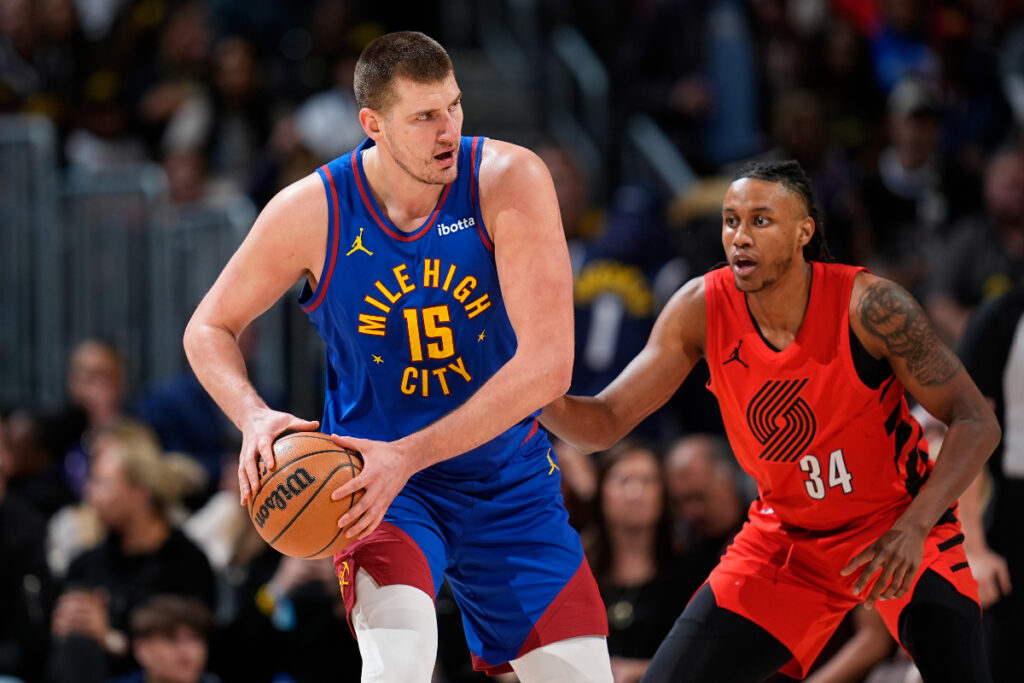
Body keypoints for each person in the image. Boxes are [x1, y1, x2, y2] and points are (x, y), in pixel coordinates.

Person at [183, 31, 611, 683]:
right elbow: (208, 326)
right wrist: (253, 417)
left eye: (455, 106)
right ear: (373, 124)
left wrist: (407, 453)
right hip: (377, 490)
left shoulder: (507, 178)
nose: (449, 129)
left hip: (507, 478)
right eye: (425, 116)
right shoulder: (314, 210)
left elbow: (549, 368)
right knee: (398, 666)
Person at [540, 159, 1000, 682]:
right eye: (731, 220)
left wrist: (917, 524)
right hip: (787, 540)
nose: (740, 236)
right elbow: (604, 424)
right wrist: (530, 392)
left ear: (804, 230)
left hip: (892, 527)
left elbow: (976, 421)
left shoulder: (870, 307)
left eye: (761, 220)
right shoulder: (701, 306)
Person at [586, 439, 688, 683]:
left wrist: (641, 671)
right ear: (601, 491)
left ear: (663, 494)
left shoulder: (690, 569)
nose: (634, 493)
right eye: (623, 481)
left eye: (647, 481)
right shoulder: (576, 569)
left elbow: (706, 660)